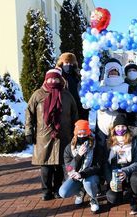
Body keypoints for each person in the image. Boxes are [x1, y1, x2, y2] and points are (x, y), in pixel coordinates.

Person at [25, 68, 78, 201]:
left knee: (61, 164)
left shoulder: (66, 95)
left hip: (64, 135)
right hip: (44, 136)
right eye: (50, 78)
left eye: (55, 78)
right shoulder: (38, 94)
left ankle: (57, 189)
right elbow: (29, 114)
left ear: (60, 79)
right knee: (46, 166)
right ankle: (46, 191)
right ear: (46, 79)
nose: (52, 81)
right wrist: (28, 131)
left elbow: (74, 115)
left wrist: (76, 134)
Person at [59, 120, 104, 213]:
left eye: (85, 134)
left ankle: (93, 198)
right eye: (79, 134)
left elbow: (98, 167)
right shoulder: (69, 148)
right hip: (75, 175)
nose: (82, 136)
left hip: (90, 175)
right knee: (63, 192)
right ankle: (80, 192)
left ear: (89, 133)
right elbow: (69, 168)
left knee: (88, 183)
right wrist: (78, 156)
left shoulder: (95, 146)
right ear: (75, 134)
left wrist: (82, 174)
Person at [106, 114, 137, 215]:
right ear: (114, 128)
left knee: (136, 179)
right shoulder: (109, 142)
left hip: (130, 171)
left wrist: (126, 171)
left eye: (123, 126)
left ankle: (134, 199)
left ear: (127, 127)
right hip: (115, 174)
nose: (120, 128)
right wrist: (110, 180)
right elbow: (106, 164)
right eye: (117, 126)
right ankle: (124, 193)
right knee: (112, 198)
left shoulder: (134, 141)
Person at [96, 58, 128, 151]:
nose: (113, 74)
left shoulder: (126, 87)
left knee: (117, 149)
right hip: (102, 123)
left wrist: (119, 107)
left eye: (115, 72)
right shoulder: (100, 87)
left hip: (119, 125)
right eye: (111, 72)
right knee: (101, 148)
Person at [56, 52, 88, 120]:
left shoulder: (77, 76)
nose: (69, 65)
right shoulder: (58, 76)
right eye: (66, 63)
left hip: (78, 106)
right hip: (64, 107)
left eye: (71, 63)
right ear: (61, 63)